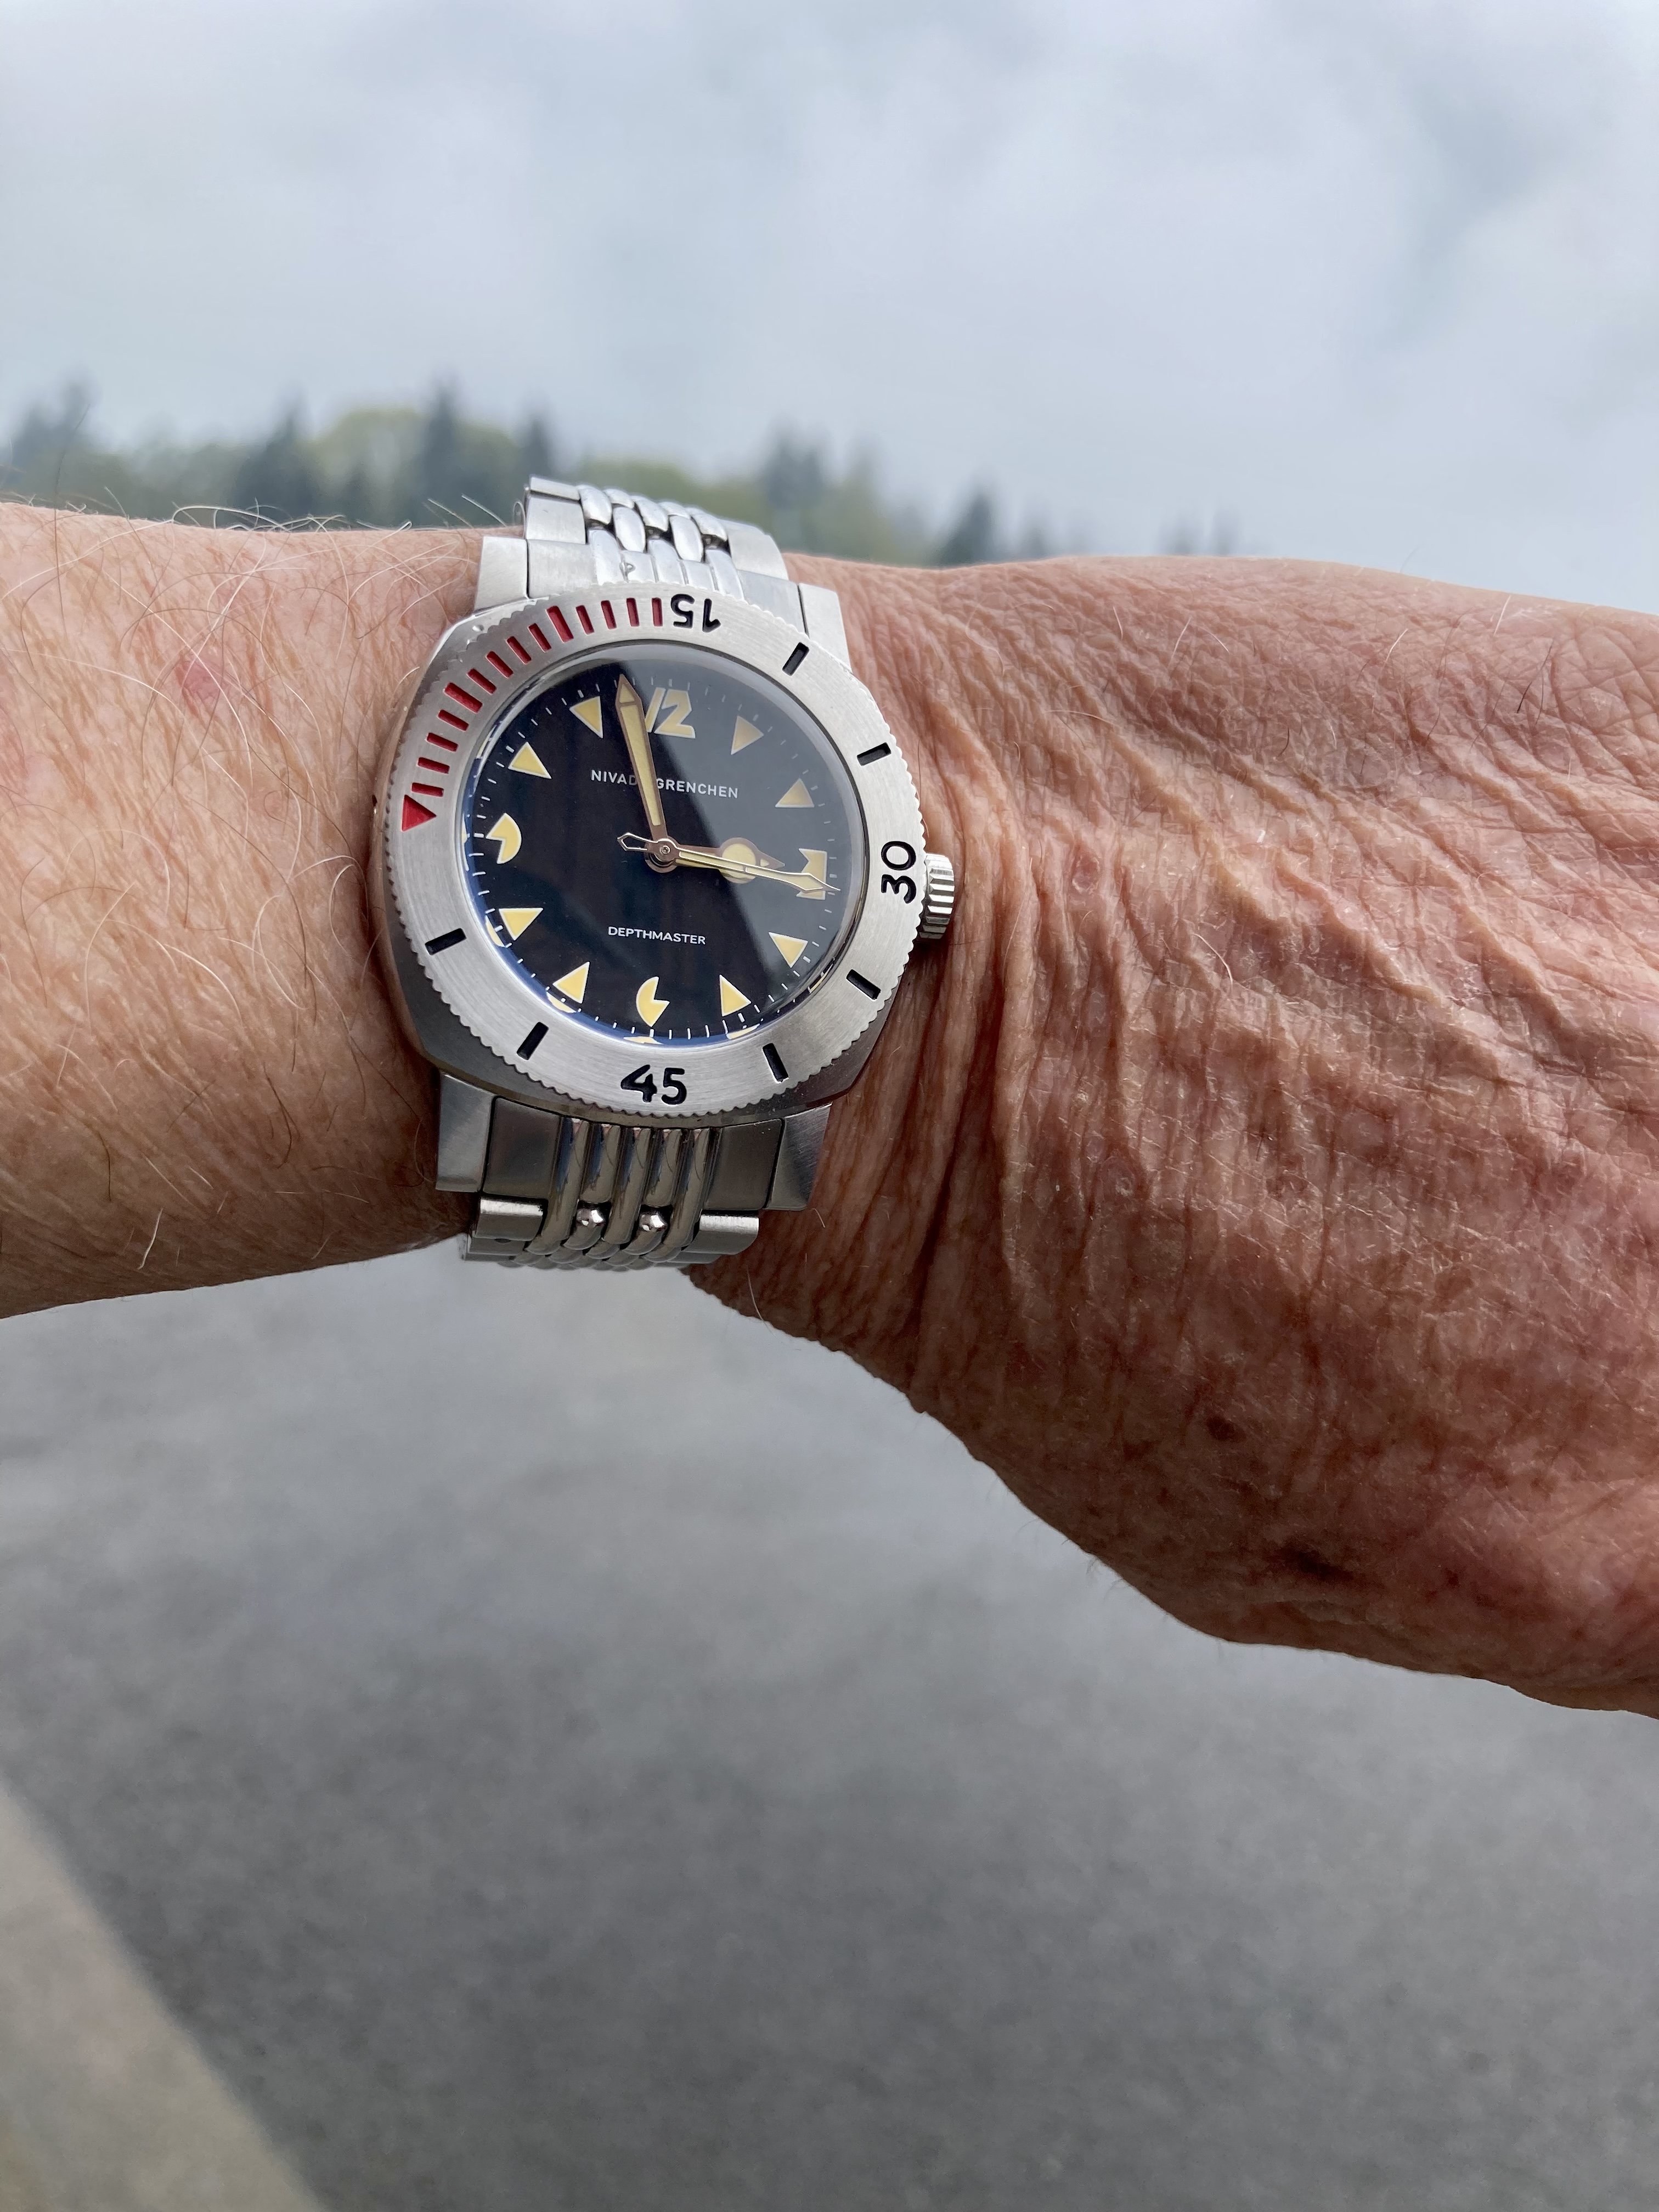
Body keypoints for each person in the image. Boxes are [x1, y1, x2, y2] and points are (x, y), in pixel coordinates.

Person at [4, 503, 1658, 1717]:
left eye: (700, 848)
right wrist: (975, 1057)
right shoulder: (642, 764)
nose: (675, 854)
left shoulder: (838, 853)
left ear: (908, 889)